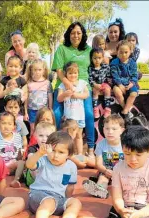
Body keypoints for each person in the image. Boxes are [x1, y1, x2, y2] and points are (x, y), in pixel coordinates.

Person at [95, 126, 149, 218]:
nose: (133, 159)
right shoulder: (118, 167)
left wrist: (139, 214)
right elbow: (117, 196)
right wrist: (121, 210)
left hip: (147, 210)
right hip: (124, 206)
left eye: (138, 155)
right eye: (127, 154)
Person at [26, 132, 85, 218]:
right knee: (50, 201)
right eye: (52, 150)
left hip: (59, 198)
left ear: (69, 155)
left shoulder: (71, 166)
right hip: (38, 196)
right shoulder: (43, 160)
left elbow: (70, 187)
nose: (55, 155)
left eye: (61, 152)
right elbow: (29, 164)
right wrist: (39, 153)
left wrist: (67, 201)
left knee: (76, 202)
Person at [51, 21, 95, 158]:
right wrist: (67, 83)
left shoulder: (88, 50)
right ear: (68, 34)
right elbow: (58, 70)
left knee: (88, 115)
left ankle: (91, 149)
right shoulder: (62, 49)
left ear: (83, 35)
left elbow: (100, 60)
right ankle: (56, 146)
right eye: (73, 32)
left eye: (78, 33)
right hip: (64, 85)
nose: (76, 35)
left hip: (83, 86)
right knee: (57, 114)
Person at [82, 114, 125, 199]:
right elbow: (98, 164)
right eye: (107, 128)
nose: (110, 132)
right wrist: (105, 171)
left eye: (114, 129)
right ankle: (100, 190)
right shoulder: (101, 144)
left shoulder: (125, 144)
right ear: (103, 129)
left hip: (123, 170)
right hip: (107, 170)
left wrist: (118, 173)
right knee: (102, 178)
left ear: (122, 130)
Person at [57, 62, 89, 160]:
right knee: (69, 137)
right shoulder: (63, 85)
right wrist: (65, 94)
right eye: (70, 73)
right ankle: (68, 154)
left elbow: (86, 95)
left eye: (75, 73)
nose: (73, 75)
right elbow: (59, 99)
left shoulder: (82, 83)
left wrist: (77, 95)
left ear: (78, 73)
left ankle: (79, 154)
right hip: (69, 117)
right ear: (66, 74)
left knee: (79, 136)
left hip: (80, 116)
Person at [0, 112, 25, 188]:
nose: (6, 127)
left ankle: (16, 180)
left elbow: (19, 154)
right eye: (3, 123)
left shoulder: (17, 137)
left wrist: (21, 161)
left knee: (21, 163)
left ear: (14, 126)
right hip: (0, 166)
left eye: (9, 124)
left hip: (12, 166)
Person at [110, 40, 139, 118]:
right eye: (121, 52)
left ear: (130, 52)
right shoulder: (114, 62)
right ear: (117, 52)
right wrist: (119, 85)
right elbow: (114, 75)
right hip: (118, 83)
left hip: (129, 83)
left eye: (126, 52)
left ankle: (125, 111)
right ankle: (126, 109)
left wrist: (132, 83)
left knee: (134, 94)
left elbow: (134, 75)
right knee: (117, 91)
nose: (123, 55)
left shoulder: (132, 63)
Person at [24, 122, 57, 186]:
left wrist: (50, 153)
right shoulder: (33, 148)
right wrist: (40, 153)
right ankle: (41, 184)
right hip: (34, 178)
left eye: (48, 136)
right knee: (33, 164)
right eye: (41, 135)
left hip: (49, 177)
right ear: (35, 136)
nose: (44, 139)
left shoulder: (55, 149)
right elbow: (30, 161)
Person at [24, 59, 53, 132]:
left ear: (43, 70)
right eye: (35, 70)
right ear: (31, 70)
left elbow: (50, 97)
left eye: (39, 70)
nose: (37, 72)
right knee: (33, 130)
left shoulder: (47, 83)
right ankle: (33, 142)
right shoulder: (29, 83)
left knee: (44, 129)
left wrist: (50, 109)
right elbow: (26, 98)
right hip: (32, 110)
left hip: (43, 110)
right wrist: (26, 112)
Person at [88, 48, 113, 119]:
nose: (97, 60)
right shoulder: (90, 68)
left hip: (104, 84)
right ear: (91, 58)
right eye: (95, 58)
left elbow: (109, 77)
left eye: (99, 58)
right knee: (95, 91)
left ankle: (107, 109)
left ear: (102, 58)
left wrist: (109, 84)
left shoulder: (106, 67)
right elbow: (90, 78)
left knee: (107, 89)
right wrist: (95, 84)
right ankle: (95, 108)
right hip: (95, 84)